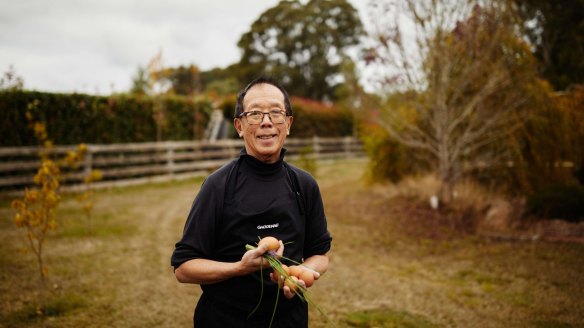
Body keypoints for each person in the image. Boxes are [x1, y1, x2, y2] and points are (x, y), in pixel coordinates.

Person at [171, 76, 332, 327]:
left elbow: (320, 253)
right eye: (255, 113)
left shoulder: (304, 185)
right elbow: (184, 267)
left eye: (276, 113)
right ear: (239, 126)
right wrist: (239, 268)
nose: (266, 122)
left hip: (290, 320)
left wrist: (300, 274)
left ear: (288, 123)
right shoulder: (218, 185)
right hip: (225, 320)